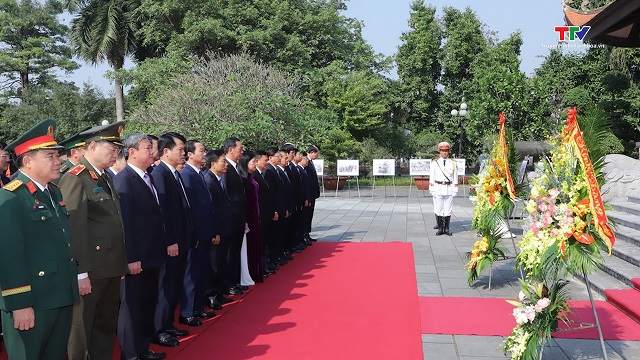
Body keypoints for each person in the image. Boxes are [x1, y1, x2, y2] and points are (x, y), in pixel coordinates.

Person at [0, 119, 80, 359]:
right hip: (32, 302)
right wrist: (20, 303)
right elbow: (8, 256)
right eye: (50, 156)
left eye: (58, 155)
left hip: (59, 296)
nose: (58, 161)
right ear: (27, 161)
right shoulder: (11, 198)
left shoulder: (53, 192)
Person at [59, 121, 129, 360]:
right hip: (91, 270)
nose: (115, 154)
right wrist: (81, 273)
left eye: (117, 149)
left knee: (105, 325)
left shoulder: (104, 176)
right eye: (111, 148)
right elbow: (74, 229)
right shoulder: (75, 178)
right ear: (92, 147)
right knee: (82, 330)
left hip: (110, 264)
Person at [113, 134, 166, 360]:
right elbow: (125, 224)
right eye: (148, 148)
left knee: (146, 304)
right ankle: (131, 354)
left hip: (151, 254)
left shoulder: (147, 176)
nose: (152, 152)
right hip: (137, 259)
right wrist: (131, 258)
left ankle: (142, 349)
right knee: (132, 309)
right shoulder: (124, 180)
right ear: (132, 152)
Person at [150, 132, 198, 348]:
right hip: (171, 243)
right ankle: (158, 330)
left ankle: (167, 323)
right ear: (166, 151)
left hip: (181, 240)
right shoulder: (160, 174)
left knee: (173, 286)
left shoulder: (173, 173)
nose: (183, 153)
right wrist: (170, 241)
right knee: (165, 288)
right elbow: (163, 213)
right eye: (180, 149)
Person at [180, 141, 220, 314]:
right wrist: (194, 234)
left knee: (201, 272)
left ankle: (198, 307)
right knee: (191, 274)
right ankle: (188, 311)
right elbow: (190, 209)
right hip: (196, 234)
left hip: (205, 232)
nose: (205, 154)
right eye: (201, 151)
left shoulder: (198, 173)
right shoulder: (187, 174)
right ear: (190, 154)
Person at [203, 149, 233, 307]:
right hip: (216, 231)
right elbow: (210, 209)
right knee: (213, 264)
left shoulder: (219, 179)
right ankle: (211, 295)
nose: (226, 164)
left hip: (224, 229)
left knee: (221, 262)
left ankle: (219, 292)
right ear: (213, 163)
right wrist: (214, 231)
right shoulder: (208, 180)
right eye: (223, 161)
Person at [222, 137, 247, 295]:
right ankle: (228, 284)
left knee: (235, 252)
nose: (242, 151)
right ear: (231, 150)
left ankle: (234, 281)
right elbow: (227, 197)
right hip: (230, 220)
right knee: (229, 254)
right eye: (240, 148)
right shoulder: (225, 169)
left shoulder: (235, 167)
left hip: (238, 219)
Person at [237, 151, 262, 284]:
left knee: (255, 243)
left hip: (255, 213)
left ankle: (255, 270)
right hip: (248, 215)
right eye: (253, 161)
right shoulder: (242, 178)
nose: (255, 163)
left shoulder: (251, 176)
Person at [252, 150, 278, 277]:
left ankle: (264, 265)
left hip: (266, 214)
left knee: (265, 241)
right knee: (261, 243)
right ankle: (261, 266)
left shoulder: (261, 174)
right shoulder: (254, 175)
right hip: (260, 215)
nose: (267, 162)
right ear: (257, 161)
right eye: (265, 160)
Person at [429, 142, 458, 236]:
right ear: (439, 151)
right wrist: (432, 189)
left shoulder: (453, 163)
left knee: (448, 208)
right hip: (438, 187)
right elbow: (432, 176)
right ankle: (440, 228)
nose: (444, 153)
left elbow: (455, 176)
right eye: (442, 151)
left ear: (448, 151)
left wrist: (455, 189)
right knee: (438, 208)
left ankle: (446, 228)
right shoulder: (434, 163)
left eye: (446, 151)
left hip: (449, 188)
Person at [304, 145, 321, 242]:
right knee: (306, 215)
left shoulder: (310, 162)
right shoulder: (305, 162)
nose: (317, 155)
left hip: (312, 194)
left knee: (310, 215)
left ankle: (307, 233)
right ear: (311, 152)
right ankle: (305, 234)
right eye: (316, 153)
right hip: (308, 194)